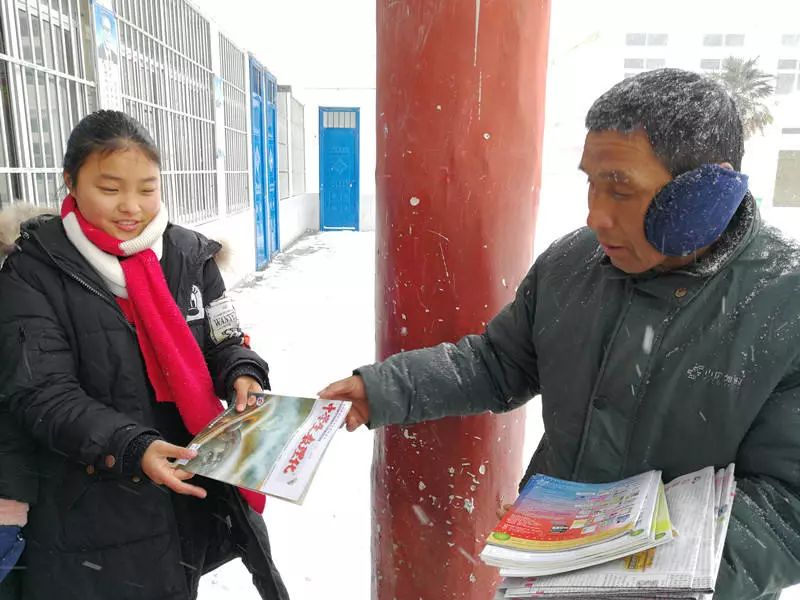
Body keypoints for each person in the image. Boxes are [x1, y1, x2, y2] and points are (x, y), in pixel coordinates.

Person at [320, 69, 800, 600]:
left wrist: (644, 572)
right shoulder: (572, 264)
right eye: (591, 184)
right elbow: (497, 362)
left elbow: (790, 507)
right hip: (546, 578)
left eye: (620, 190)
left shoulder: (785, 304)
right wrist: (386, 389)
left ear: (708, 193)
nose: (596, 216)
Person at [0, 110, 289, 600]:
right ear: (70, 181)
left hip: (185, 483)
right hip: (88, 502)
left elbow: (224, 338)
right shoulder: (33, 270)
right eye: (109, 189)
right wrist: (134, 447)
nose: (131, 206)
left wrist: (242, 372)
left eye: (147, 188)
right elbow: (42, 393)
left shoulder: (190, 255)